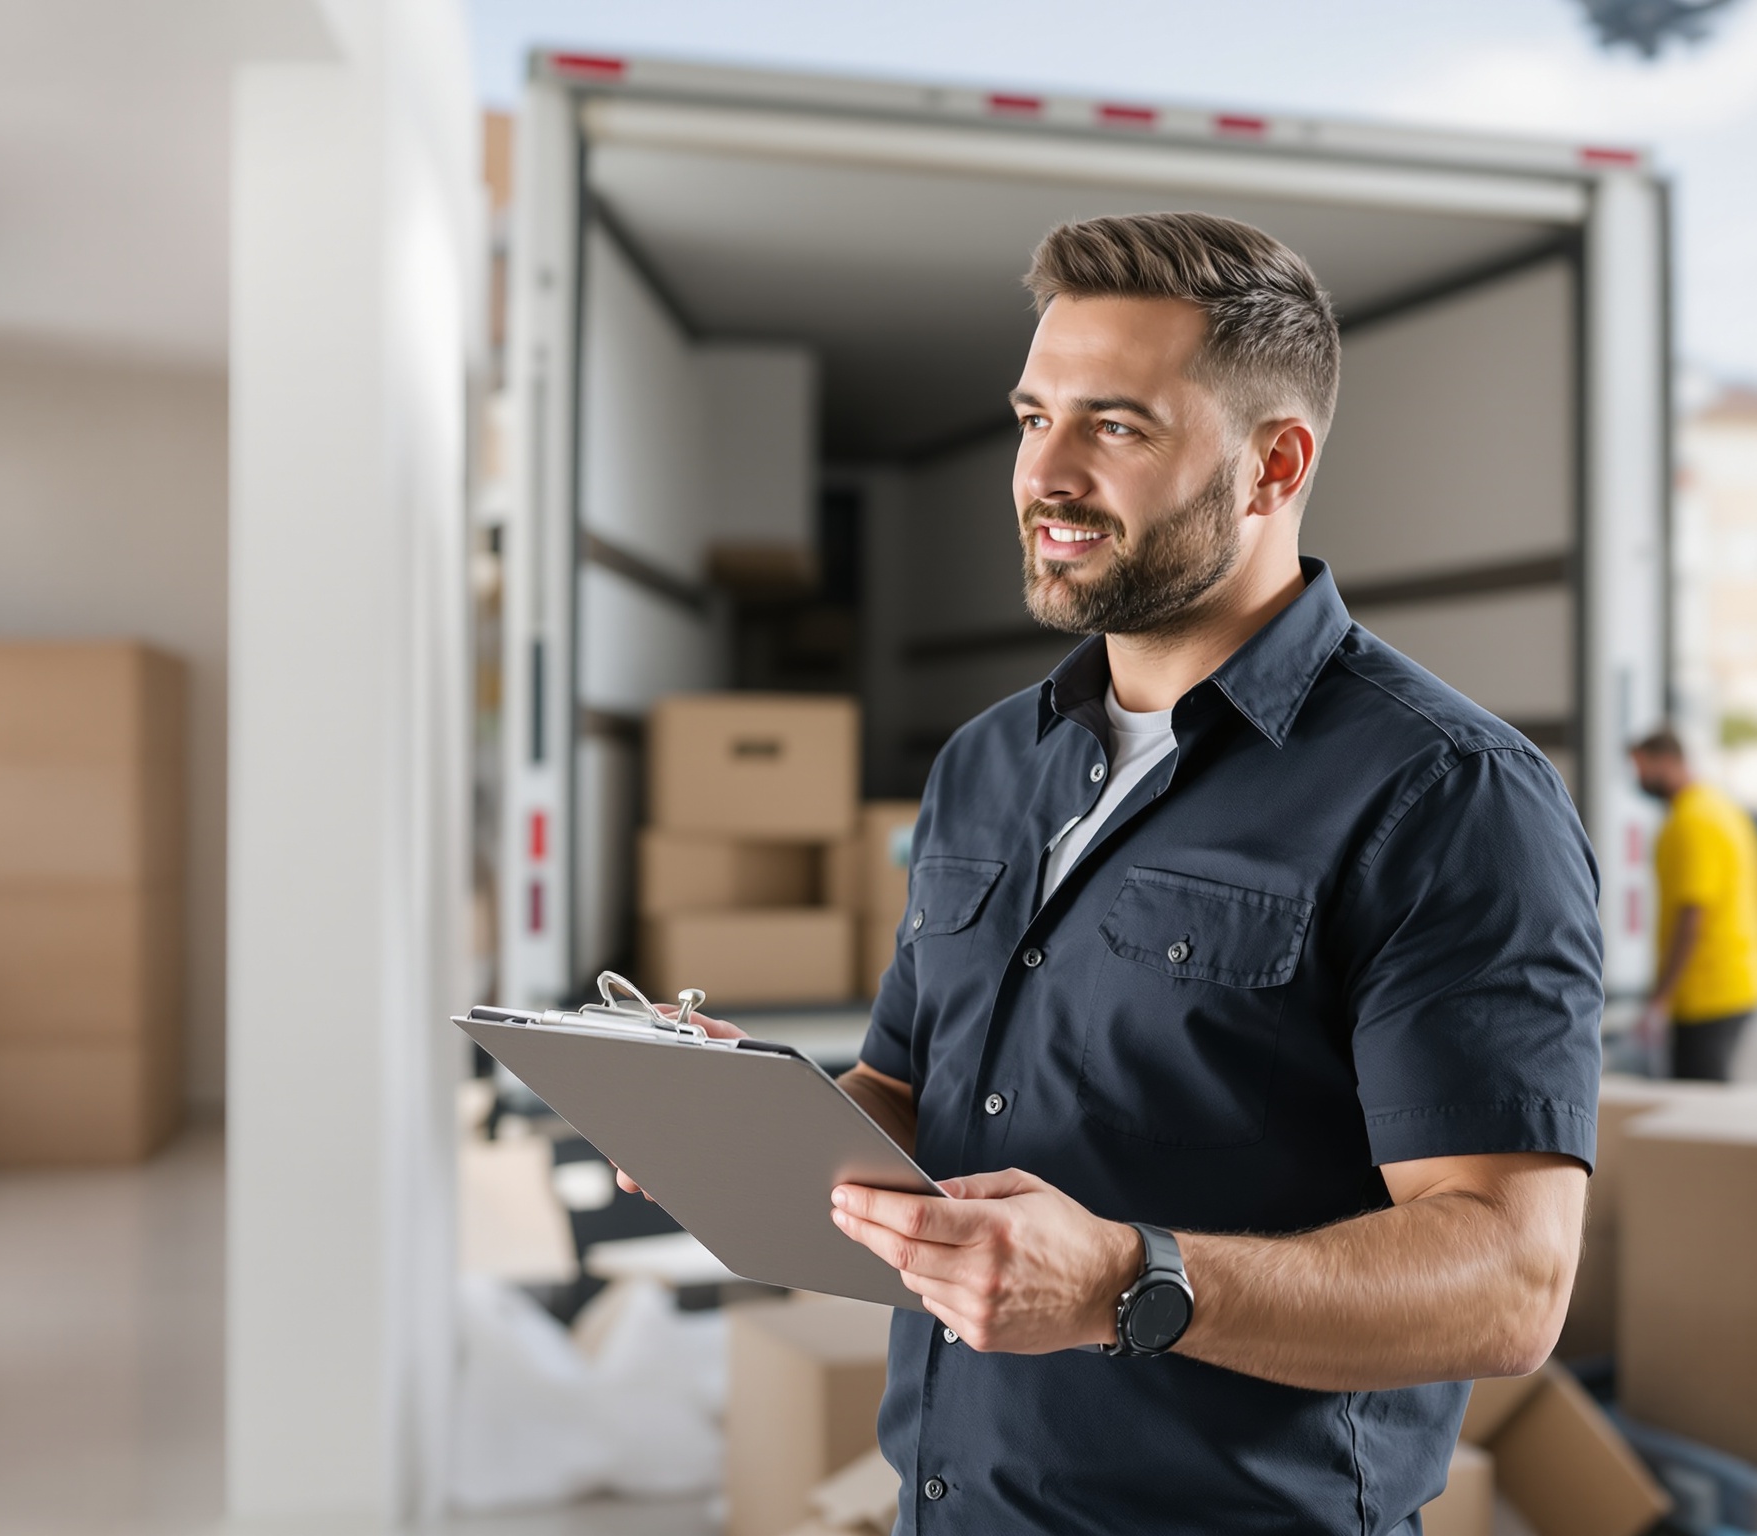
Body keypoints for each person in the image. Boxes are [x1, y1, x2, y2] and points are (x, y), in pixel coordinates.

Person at [625, 213, 1603, 1531]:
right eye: (1033, 419)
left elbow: (1509, 1279)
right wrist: (737, 1127)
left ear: (1275, 466)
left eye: (1116, 426)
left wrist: (1120, 1283)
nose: (1046, 473)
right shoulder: (987, 762)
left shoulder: (1444, 794)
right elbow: (913, 1104)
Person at [1628, 729, 1757, 1081]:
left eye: (1641, 767)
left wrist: (1660, 999)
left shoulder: (1691, 821)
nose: (1637, 779)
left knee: (1698, 1105)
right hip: (1737, 979)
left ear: (1665, 762)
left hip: (1707, 991)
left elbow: (1691, 917)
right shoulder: (1720, 805)